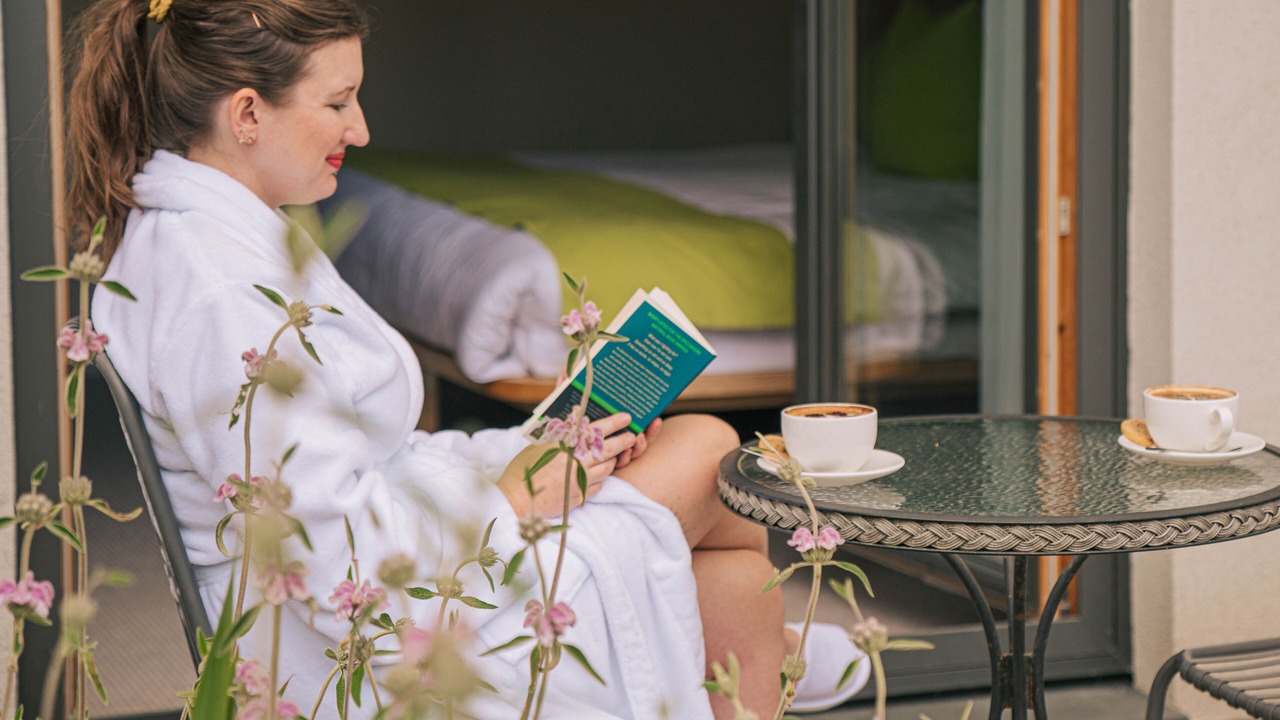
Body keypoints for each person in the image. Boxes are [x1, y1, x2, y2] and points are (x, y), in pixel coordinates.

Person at [68, 0, 867, 717]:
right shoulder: (222, 291)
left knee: (723, 565)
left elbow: (333, 479)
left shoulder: (214, 239)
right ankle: (773, 661)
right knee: (710, 453)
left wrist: (520, 453)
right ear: (247, 113)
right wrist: (518, 496)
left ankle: (762, 660)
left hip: (414, 544)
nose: (362, 129)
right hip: (366, 640)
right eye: (338, 101)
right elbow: (331, 560)